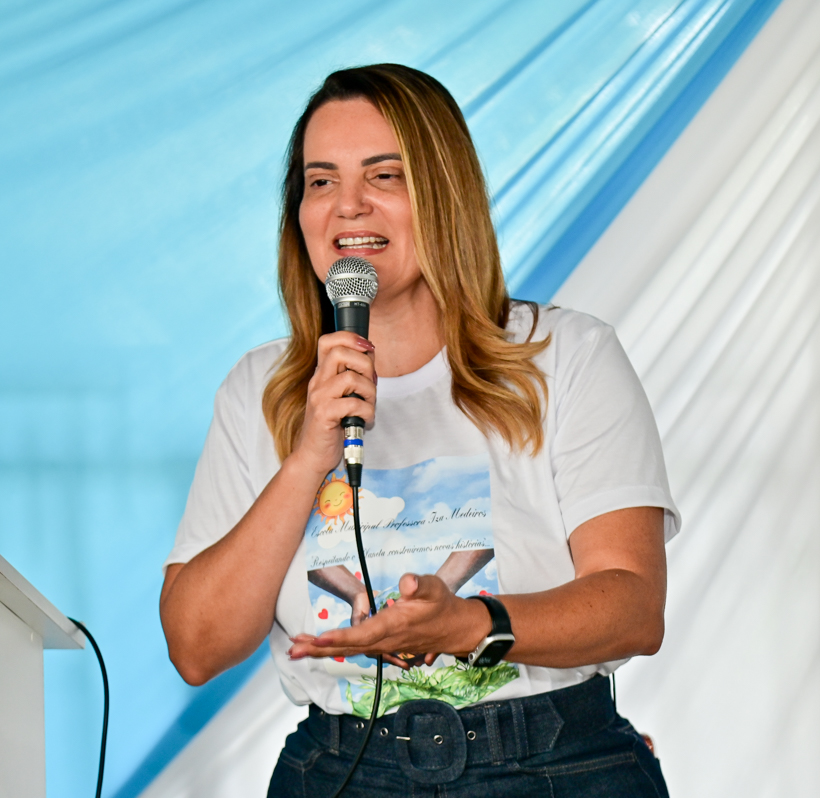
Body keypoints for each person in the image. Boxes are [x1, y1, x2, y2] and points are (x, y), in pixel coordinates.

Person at [160, 63, 678, 796]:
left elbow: (633, 606)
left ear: (443, 193)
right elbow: (196, 647)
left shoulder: (566, 355)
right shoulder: (259, 389)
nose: (348, 206)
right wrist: (306, 459)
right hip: (343, 770)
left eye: (384, 176)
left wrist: (468, 625)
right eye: (320, 181)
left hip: (553, 763)